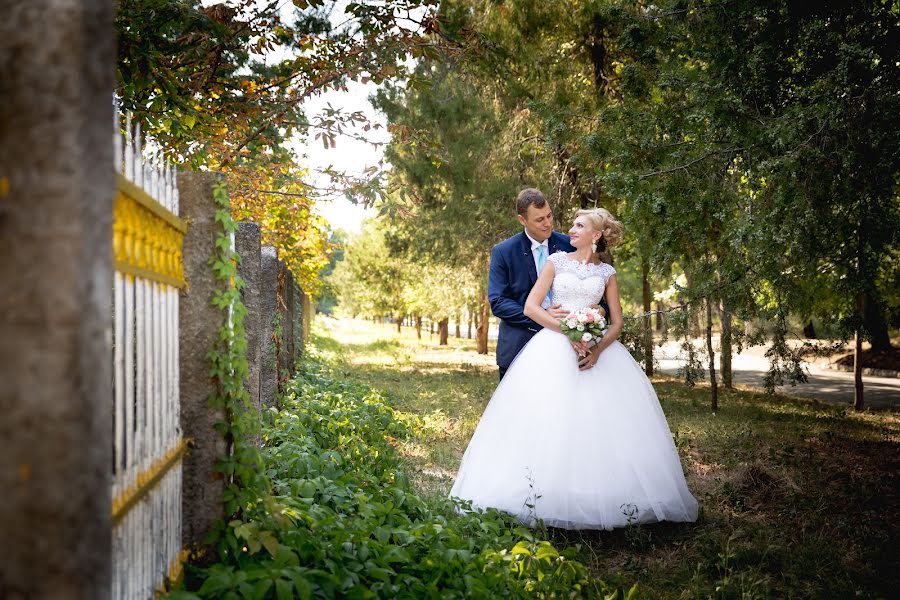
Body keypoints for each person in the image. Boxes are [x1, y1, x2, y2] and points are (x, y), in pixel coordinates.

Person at [451, 208, 699, 530]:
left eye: (580, 225)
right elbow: (530, 307)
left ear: (595, 235)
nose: (571, 229)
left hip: (596, 354)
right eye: (573, 224)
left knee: (601, 426)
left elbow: (617, 322)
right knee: (549, 420)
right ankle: (542, 494)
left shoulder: (607, 272)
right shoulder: (557, 261)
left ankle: (599, 496)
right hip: (552, 348)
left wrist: (595, 349)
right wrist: (568, 332)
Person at [488, 188, 575, 380]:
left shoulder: (570, 245)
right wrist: (542, 316)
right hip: (518, 346)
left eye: (549, 216)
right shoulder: (503, 252)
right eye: (539, 219)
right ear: (522, 220)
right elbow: (498, 301)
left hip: (566, 348)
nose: (547, 223)